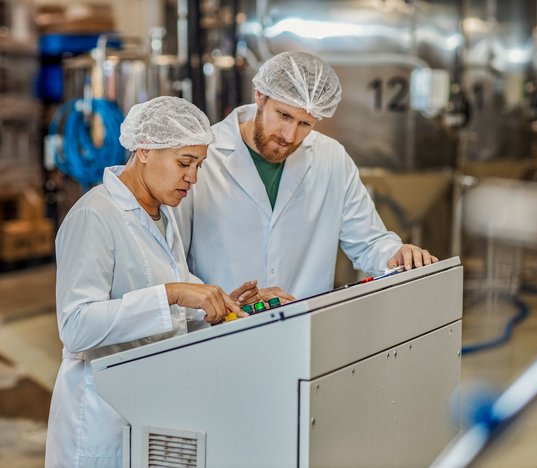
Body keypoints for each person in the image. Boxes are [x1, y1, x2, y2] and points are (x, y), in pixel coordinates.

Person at [45, 96, 258, 467]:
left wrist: (219, 303)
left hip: (150, 402)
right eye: (184, 162)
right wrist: (173, 294)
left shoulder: (161, 215)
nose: (193, 177)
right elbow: (76, 327)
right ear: (144, 149)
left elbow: (166, 301)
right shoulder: (95, 216)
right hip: (100, 414)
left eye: (199, 165)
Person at [176, 51, 438, 301]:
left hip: (305, 329)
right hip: (220, 333)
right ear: (259, 95)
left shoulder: (331, 158)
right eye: (284, 115)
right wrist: (221, 304)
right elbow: (173, 262)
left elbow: (369, 243)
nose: (289, 136)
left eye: (305, 124)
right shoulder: (203, 155)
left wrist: (396, 254)